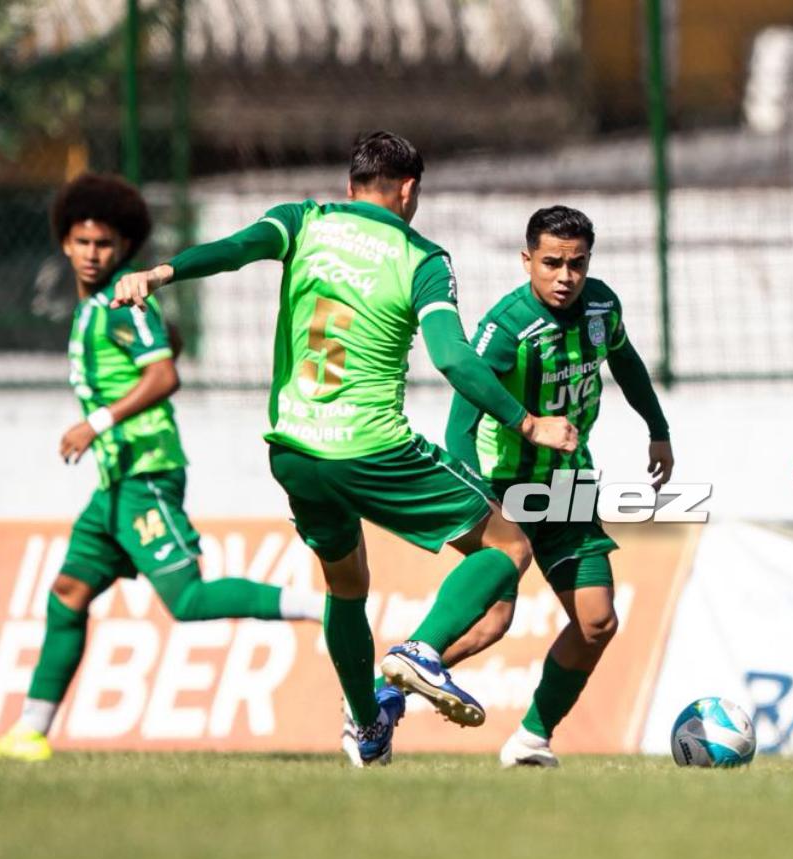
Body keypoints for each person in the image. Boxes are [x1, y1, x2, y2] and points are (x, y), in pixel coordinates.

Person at [110, 132, 577, 766]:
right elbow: (451, 357)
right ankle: (420, 649)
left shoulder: (302, 220)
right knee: (509, 543)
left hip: (293, 451)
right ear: (408, 190)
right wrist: (527, 423)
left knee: (347, 586)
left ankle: (366, 728)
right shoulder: (422, 258)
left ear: (351, 181)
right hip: (371, 447)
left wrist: (162, 272)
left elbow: (235, 249)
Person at [0, 173, 326, 764]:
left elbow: (164, 374)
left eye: (104, 244)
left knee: (187, 600)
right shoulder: (92, 309)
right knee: (68, 592)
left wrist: (94, 422)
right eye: (82, 242)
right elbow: (168, 344)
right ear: (64, 243)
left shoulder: (120, 308)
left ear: (124, 248)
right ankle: (29, 734)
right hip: (113, 483)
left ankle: (326, 609)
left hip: (147, 472)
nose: (91, 254)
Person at [434, 205, 672, 767]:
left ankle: (531, 740)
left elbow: (628, 362)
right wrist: (480, 502)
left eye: (577, 263)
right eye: (551, 263)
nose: (565, 277)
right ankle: (384, 691)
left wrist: (657, 429)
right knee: (493, 622)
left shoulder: (601, 306)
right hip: (505, 490)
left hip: (567, 488)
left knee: (596, 622)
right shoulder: (506, 327)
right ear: (527, 261)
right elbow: (458, 426)